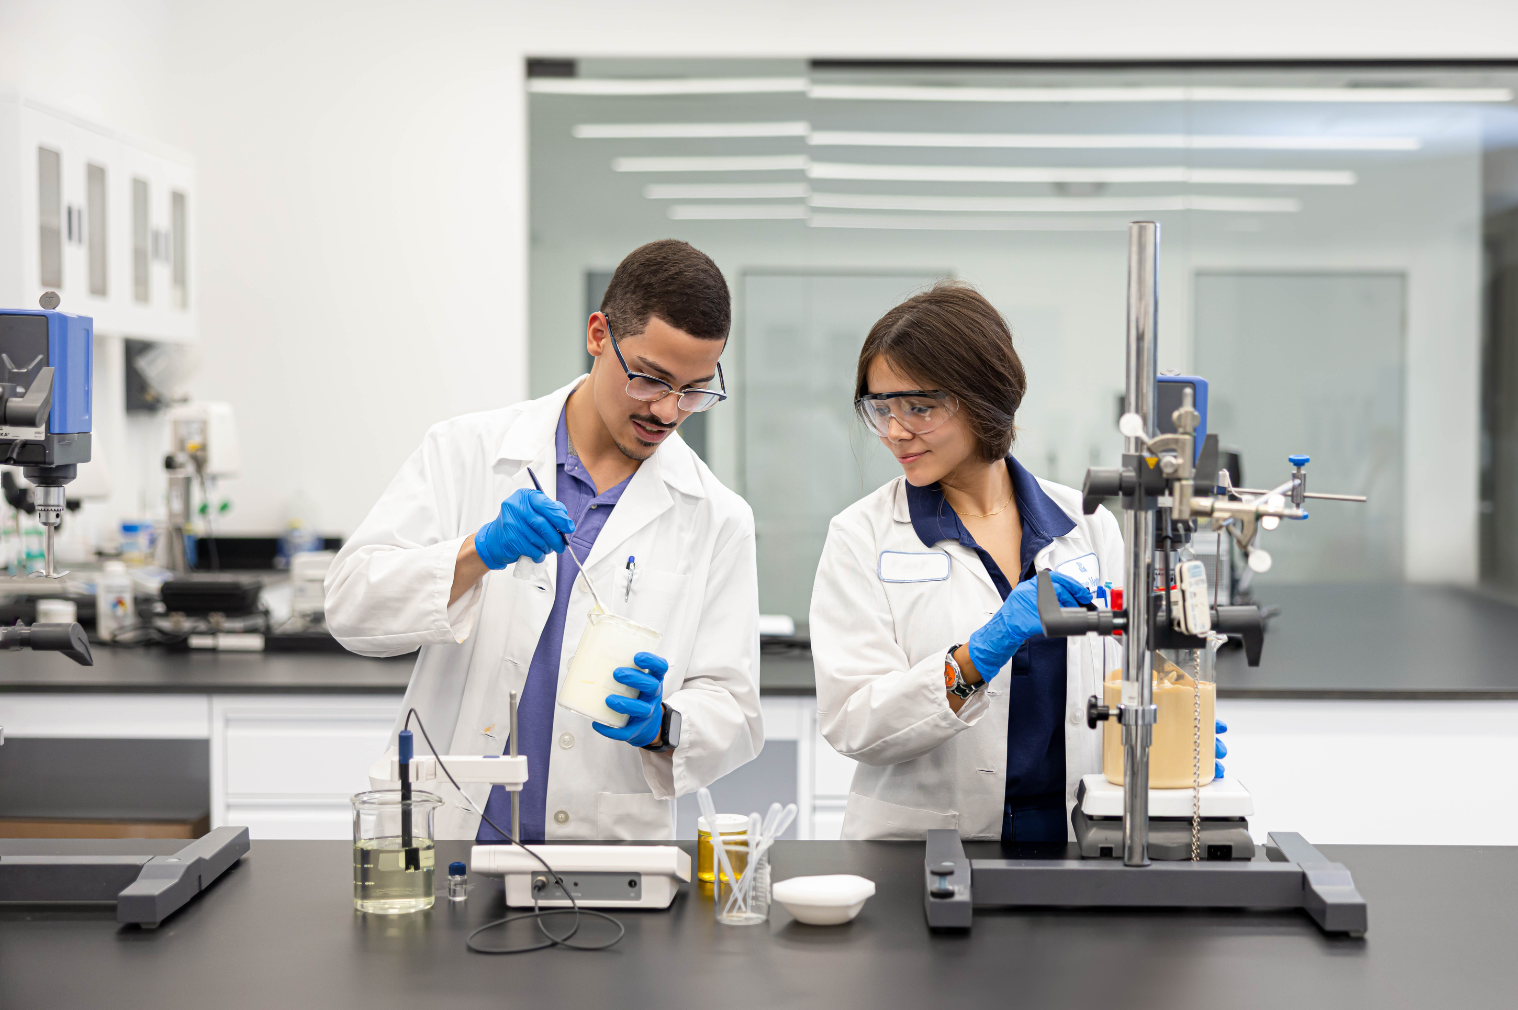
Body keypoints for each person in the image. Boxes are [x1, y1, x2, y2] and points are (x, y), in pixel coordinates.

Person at [326, 239, 762, 841]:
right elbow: (350, 606)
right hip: (453, 831)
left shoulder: (716, 517)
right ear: (597, 334)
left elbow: (734, 710)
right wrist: (477, 552)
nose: (667, 411)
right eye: (650, 379)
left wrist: (664, 724)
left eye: (693, 390)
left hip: (607, 852)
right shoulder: (467, 452)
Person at [809, 283, 1124, 842]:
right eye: (881, 409)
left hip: (1075, 840)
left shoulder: (1088, 526)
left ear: (984, 399)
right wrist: (971, 660)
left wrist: (1175, 733)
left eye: (919, 407)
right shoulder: (861, 536)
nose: (895, 431)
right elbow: (853, 722)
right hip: (921, 850)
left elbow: (1129, 678)